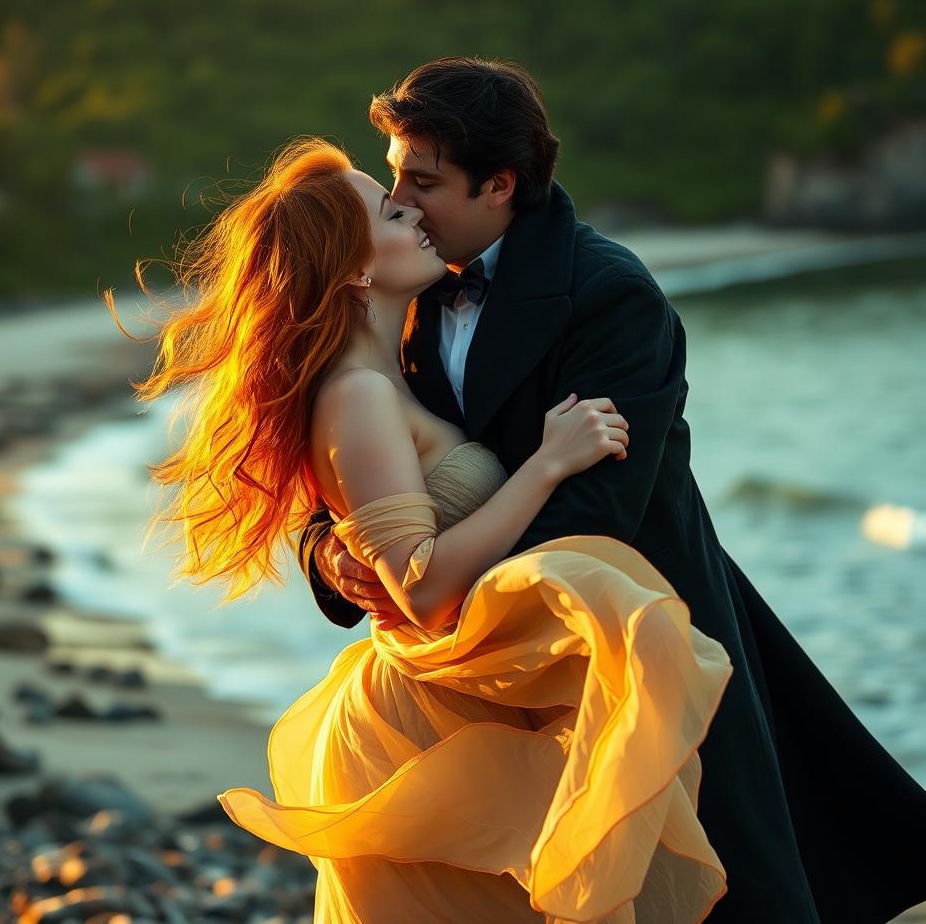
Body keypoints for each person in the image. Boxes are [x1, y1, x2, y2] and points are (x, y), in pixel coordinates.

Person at [293, 59, 926, 924]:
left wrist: (427, 580)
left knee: (724, 892)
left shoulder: (609, 296)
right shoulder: (407, 286)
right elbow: (351, 468)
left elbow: (595, 520)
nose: (403, 200)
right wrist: (339, 553)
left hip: (641, 646)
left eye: (423, 181)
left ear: (500, 184)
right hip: (482, 690)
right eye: (396, 179)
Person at [113, 134, 738, 922]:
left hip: (444, 716)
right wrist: (545, 466)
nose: (410, 211)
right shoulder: (360, 397)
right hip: (418, 728)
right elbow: (427, 589)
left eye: (408, 194)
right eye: (388, 208)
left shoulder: (389, 371)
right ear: (355, 268)